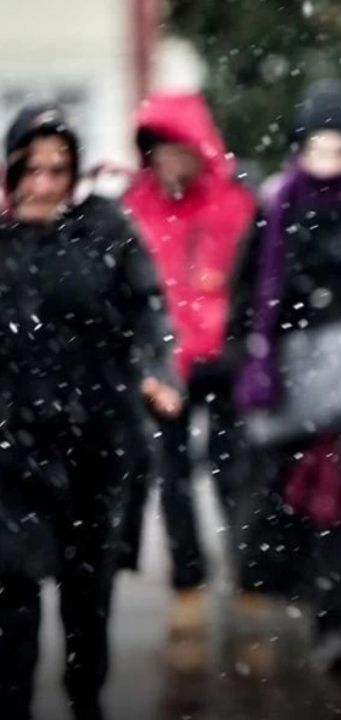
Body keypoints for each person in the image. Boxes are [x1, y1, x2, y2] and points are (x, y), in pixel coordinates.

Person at [227, 81, 341, 676]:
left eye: (339, 150)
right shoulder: (276, 204)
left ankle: (333, 624)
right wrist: (252, 359)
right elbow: (245, 292)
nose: (327, 162)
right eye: (317, 148)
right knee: (278, 509)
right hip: (281, 388)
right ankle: (284, 603)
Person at [0, 103, 181, 720]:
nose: (45, 184)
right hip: (13, 450)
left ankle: (86, 701)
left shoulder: (104, 228)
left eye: (59, 170)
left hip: (94, 444)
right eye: (32, 169)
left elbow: (149, 308)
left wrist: (158, 371)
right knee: (12, 596)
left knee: (87, 597)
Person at [121, 91, 256, 650]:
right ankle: (188, 580)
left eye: (177, 149)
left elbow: (251, 282)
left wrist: (239, 343)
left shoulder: (233, 201)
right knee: (171, 478)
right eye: (159, 151)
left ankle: (248, 577)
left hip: (222, 360)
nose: (169, 162)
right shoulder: (135, 206)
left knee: (236, 476)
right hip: (166, 366)